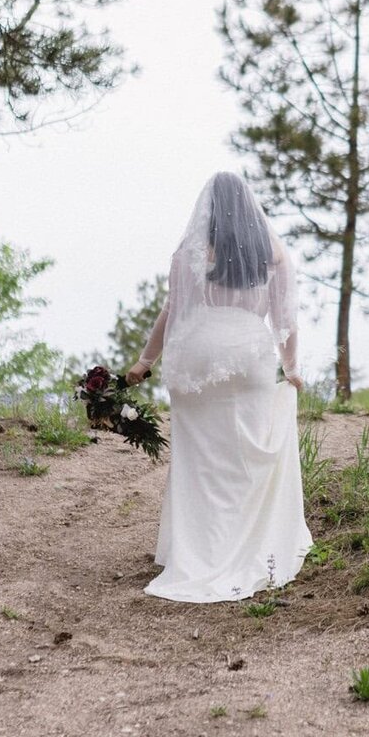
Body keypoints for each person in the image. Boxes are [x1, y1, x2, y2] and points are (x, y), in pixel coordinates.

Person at [126, 171, 312, 602]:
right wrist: (291, 369)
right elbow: (286, 322)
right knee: (245, 451)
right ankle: (245, 543)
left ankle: (195, 549)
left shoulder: (189, 253)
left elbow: (171, 312)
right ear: (251, 209)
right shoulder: (274, 254)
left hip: (196, 358)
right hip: (247, 356)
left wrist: (143, 362)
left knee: (200, 459)